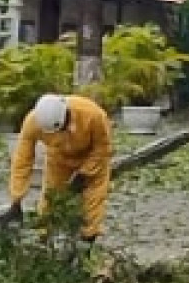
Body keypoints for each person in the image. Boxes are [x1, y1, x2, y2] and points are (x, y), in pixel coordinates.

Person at [6, 92, 114, 242]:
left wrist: (85, 173)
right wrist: (16, 200)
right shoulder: (32, 122)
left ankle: (87, 242)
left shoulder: (93, 115)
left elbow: (103, 148)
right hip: (59, 159)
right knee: (50, 200)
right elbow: (22, 160)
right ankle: (43, 241)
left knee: (93, 202)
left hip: (92, 158)